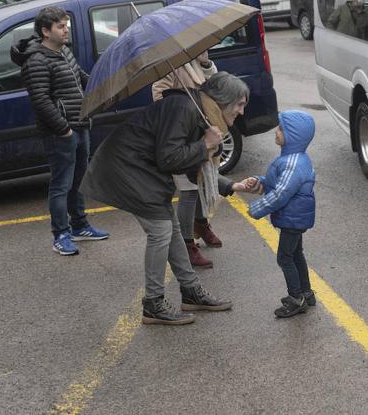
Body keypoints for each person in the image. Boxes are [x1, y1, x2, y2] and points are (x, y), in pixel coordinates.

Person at [80, 72, 256, 325]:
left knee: (170, 229)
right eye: (239, 104)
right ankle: (153, 304)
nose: (241, 111)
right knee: (161, 232)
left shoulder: (200, 113)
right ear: (223, 100)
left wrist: (228, 181)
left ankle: (191, 291)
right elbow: (170, 158)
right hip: (127, 168)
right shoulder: (183, 108)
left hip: (142, 171)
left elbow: (190, 170)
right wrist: (204, 145)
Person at [11, 6, 109, 256]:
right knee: (60, 184)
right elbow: (40, 100)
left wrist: (103, 86)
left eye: (66, 26)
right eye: (61, 27)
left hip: (80, 124)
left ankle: (80, 226)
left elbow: (79, 78)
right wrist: (63, 129)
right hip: (61, 132)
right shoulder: (36, 60)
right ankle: (60, 234)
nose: (66, 31)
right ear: (46, 31)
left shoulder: (64, 50)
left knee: (77, 181)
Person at [239, 110, 317, 318]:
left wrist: (257, 208)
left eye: (281, 128)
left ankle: (296, 298)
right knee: (295, 254)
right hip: (295, 217)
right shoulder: (291, 159)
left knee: (285, 257)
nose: (276, 131)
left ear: (293, 135)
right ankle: (306, 293)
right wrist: (260, 181)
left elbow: (282, 193)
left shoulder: (293, 163)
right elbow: (278, 183)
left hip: (293, 219)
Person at [152, 51, 221, 269]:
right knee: (189, 189)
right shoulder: (169, 61)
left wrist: (205, 63)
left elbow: (215, 85)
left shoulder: (193, 57)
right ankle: (187, 245)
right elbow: (158, 93)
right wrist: (183, 104)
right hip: (182, 134)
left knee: (198, 181)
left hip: (202, 130)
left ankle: (200, 225)